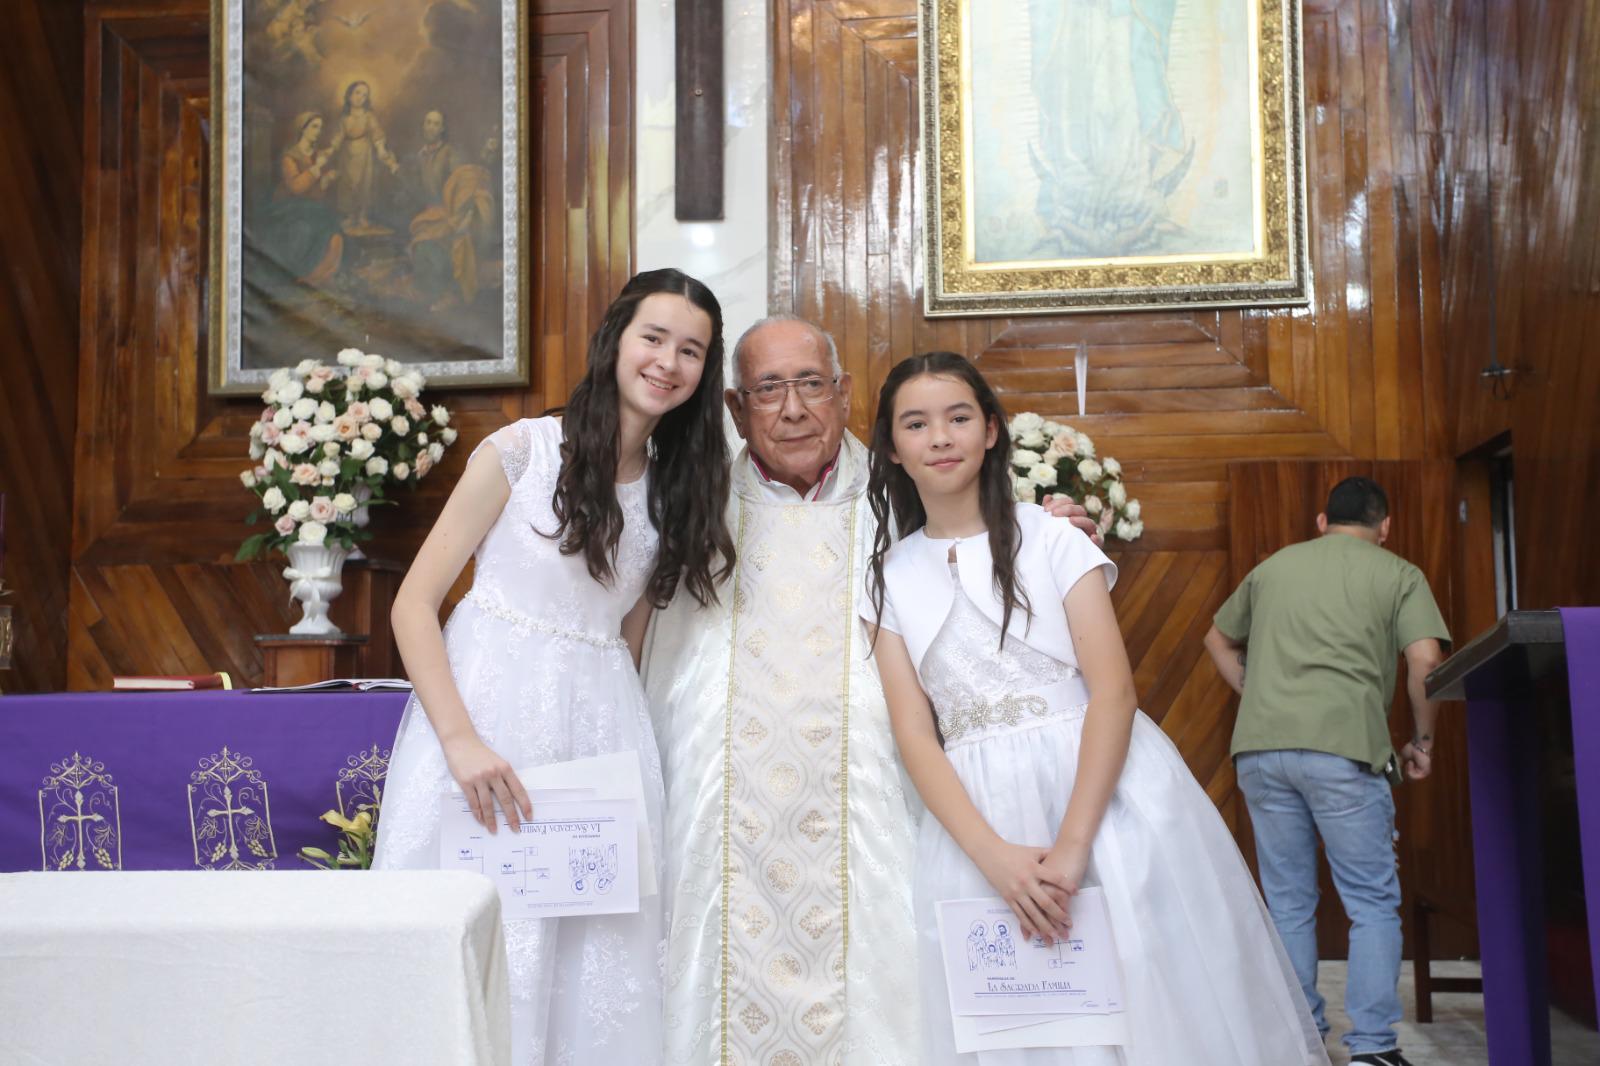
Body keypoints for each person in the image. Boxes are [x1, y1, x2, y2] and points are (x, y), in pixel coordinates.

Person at [641, 318, 1099, 1066]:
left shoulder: (904, 489)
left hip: (877, 799)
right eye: (767, 390)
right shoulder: (695, 504)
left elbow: (992, 549)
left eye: (811, 384)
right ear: (734, 408)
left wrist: (1060, 523)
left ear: (845, 393)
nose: (793, 409)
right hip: (725, 812)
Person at [862, 351, 1328, 1065]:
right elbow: (914, 733)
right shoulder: (888, 577)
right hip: (978, 825)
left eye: (959, 417)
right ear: (893, 450)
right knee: (1019, 1025)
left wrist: (1073, 847)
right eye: (916, 424)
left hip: (1101, 799)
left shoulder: (1051, 539)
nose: (940, 437)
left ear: (991, 431)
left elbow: (1113, 692)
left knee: (1141, 998)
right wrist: (995, 860)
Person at [373, 268, 736, 1065]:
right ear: (615, 340)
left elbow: (632, 640)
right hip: (486, 714)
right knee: (478, 943)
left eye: (692, 351)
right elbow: (414, 603)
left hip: (602, 732)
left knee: (591, 965)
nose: (668, 362)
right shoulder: (521, 451)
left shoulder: (677, 494)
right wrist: (461, 742)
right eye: (654, 337)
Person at [1204, 476, 1449, 1066]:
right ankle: (1371, 1050)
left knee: (1288, 903)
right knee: (1369, 902)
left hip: (1261, 749)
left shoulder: (1274, 567)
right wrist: (1422, 740)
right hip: (1343, 750)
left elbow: (1216, 638)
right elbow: (1426, 659)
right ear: (1382, 527)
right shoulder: (1398, 573)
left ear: (1321, 522)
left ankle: (1301, 1039)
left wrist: (1257, 691)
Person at [255, 112, 343, 286]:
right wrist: (317, 168)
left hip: (310, 207)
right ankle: (304, 276)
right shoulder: (290, 156)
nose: (318, 131)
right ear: (303, 128)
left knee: (334, 234)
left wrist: (326, 179)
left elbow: (316, 193)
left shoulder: (318, 155)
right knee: (311, 229)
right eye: (314, 126)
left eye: (320, 127)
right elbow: (296, 188)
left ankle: (319, 276)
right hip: (288, 208)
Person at [329, 81, 399, 233]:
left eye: (364, 95)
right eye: (357, 93)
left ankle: (362, 215)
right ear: (349, 95)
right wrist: (331, 149)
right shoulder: (344, 118)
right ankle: (350, 215)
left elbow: (377, 134)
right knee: (347, 184)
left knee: (364, 184)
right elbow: (338, 137)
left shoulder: (369, 116)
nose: (361, 97)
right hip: (347, 154)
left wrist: (380, 149)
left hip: (365, 154)